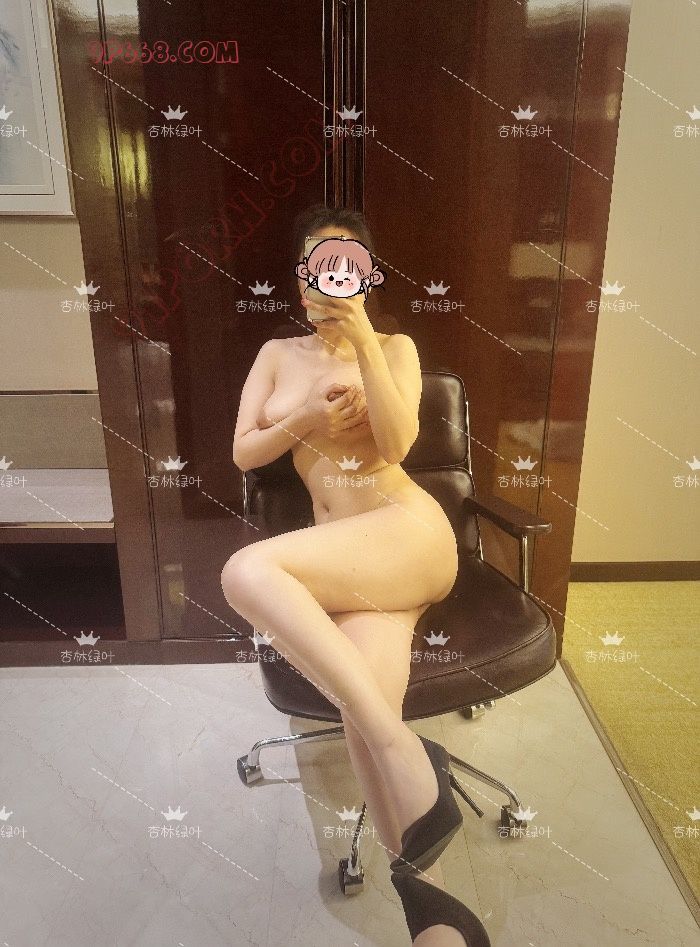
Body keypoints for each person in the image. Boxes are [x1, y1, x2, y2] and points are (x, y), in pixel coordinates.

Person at [221, 204, 490, 947]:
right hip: (350, 559)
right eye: (317, 266)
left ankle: (404, 750)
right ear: (299, 277)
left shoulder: (394, 346)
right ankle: (431, 909)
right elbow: (244, 451)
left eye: (347, 267)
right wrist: (307, 413)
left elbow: (399, 446)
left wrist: (364, 337)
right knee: (363, 713)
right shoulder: (277, 353)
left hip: (408, 536)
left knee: (246, 571)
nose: (329, 281)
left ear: (367, 277)